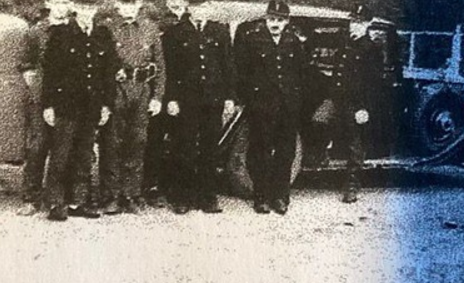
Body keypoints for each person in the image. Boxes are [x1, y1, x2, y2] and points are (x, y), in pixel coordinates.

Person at [41, 0, 117, 221]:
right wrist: (48, 105)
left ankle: (78, 201)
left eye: (91, 8)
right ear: (75, 9)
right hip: (66, 105)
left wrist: (106, 105)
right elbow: (50, 74)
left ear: (96, 10)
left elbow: (108, 75)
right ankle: (56, 202)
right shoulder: (61, 34)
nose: (86, 13)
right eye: (83, 8)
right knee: (61, 154)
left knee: (84, 154)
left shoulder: (103, 35)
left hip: (92, 106)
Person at [235, 0, 310, 215]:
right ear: (265, 19)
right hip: (262, 106)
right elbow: (243, 73)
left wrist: (296, 99)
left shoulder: (293, 41)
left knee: (286, 153)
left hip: (288, 106)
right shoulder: (253, 40)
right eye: (271, 19)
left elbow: (302, 73)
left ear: (286, 22)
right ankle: (261, 196)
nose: (274, 23)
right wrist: (251, 100)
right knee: (260, 151)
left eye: (279, 20)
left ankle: (281, 197)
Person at [161, 0, 234, 213]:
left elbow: (228, 66)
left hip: (213, 100)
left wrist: (229, 96)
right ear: (189, 8)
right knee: (185, 148)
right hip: (187, 100)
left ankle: (207, 196)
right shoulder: (176, 33)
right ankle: (183, 197)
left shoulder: (219, 31)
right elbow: (170, 70)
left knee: (210, 148)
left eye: (205, 6)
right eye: (197, 6)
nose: (201, 11)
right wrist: (172, 99)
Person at [97, 0, 164, 214]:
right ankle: (111, 195)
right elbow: (100, 62)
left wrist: (157, 96)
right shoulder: (107, 28)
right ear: (117, 5)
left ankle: (132, 194)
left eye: (132, 3)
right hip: (116, 90)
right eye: (124, 4)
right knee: (112, 142)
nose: (128, 9)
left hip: (142, 90)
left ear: (140, 5)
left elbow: (161, 67)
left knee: (138, 141)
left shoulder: (150, 29)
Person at [18, 0, 74, 216]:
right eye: (57, 1)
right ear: (49, 3)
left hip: (67, 98)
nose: (61, 6)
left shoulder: (75, 30)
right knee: (37, 146)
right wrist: (38, 94)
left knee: (63, 148)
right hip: (41, 97)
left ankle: (57, 198)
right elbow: (27, 66)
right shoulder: (37, 32)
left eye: (66, 2)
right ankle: (30, 198)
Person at [328, 3, 385, 203]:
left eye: (359, 22)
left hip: (357, 103)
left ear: (368, 24)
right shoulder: (347, 43)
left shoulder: (372, 49)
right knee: (318, 121)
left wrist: (365, 108)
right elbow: (338, 72)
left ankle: (352, 185)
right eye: (353, 21)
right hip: (338, 99)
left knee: (355, 144)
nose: (354, 26)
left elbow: (374, 83)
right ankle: (321, 159)